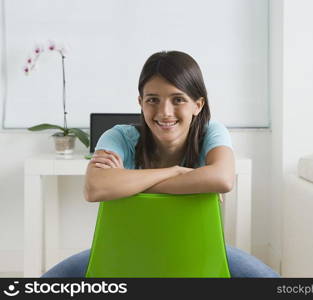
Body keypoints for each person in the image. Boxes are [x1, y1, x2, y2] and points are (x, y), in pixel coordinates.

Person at [42, 51, 279, 278]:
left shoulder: (211, 133)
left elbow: (222, 179)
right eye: (153, 100)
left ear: (198, 105)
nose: (165, 112)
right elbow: (95, 188)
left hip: (199, 249)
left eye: (178, 99)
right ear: (140, 102)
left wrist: (128, 182)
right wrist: (176, 172)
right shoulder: (119, 137)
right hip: (126, 249)